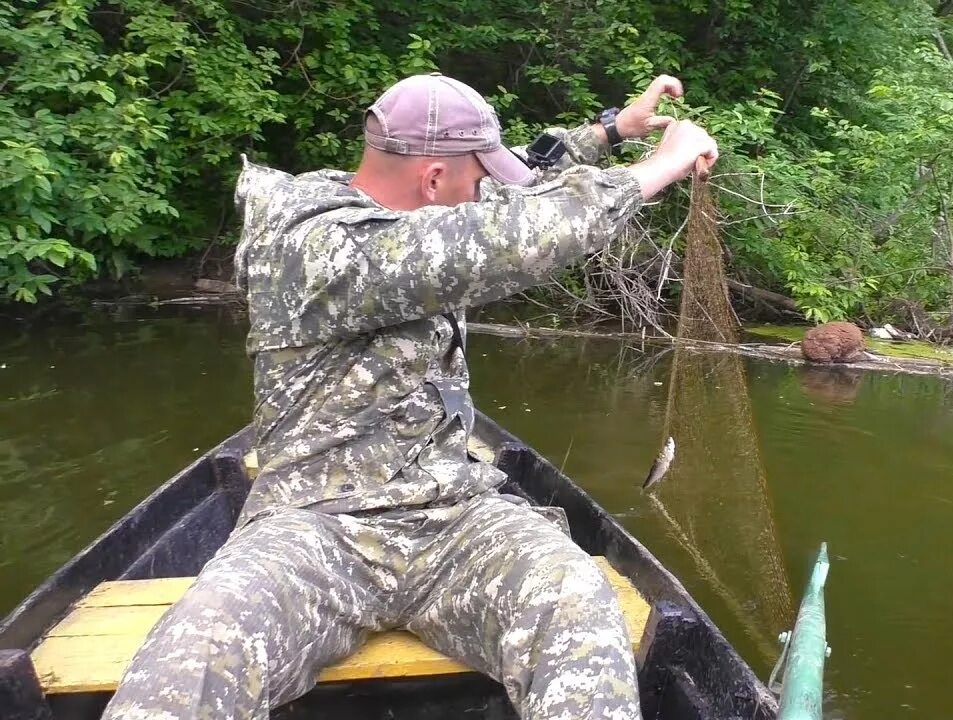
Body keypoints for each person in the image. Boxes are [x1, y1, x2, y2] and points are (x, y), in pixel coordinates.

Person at [100, 72, 717, 720]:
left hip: (452, 516)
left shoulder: (409, 207)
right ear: (431, 180)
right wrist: (661, 166)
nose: (486, 195)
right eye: (476, 183)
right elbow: (512, 234)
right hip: (316, 527)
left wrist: (612, 131)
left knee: (576, 598)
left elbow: (524, 182)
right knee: (195, 654)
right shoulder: (320, 245)